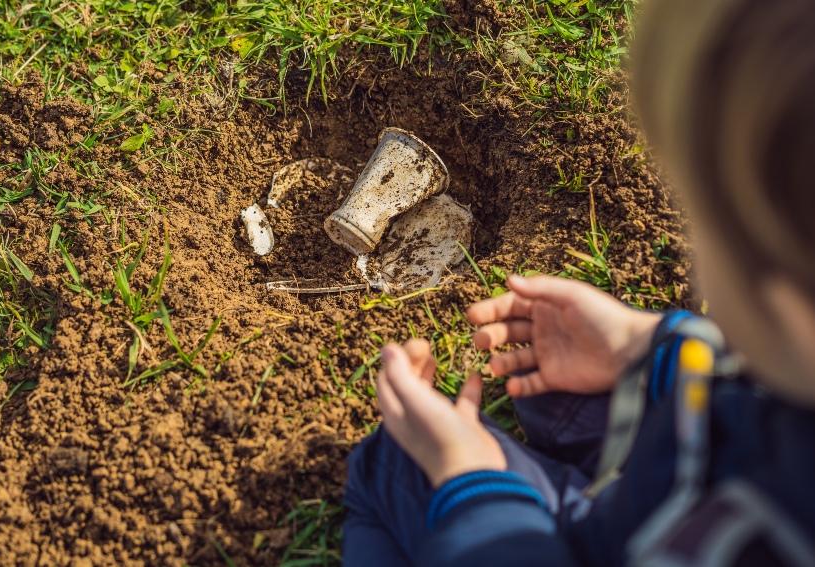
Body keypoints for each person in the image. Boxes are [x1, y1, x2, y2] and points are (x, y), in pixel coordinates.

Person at [342, 0, 815, 565]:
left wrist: (472, 484)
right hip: (698, 472)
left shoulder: (739, 544)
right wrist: (651, 349)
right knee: (555, 392)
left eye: (699, 223)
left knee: (391, 463)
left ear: (786, 311)